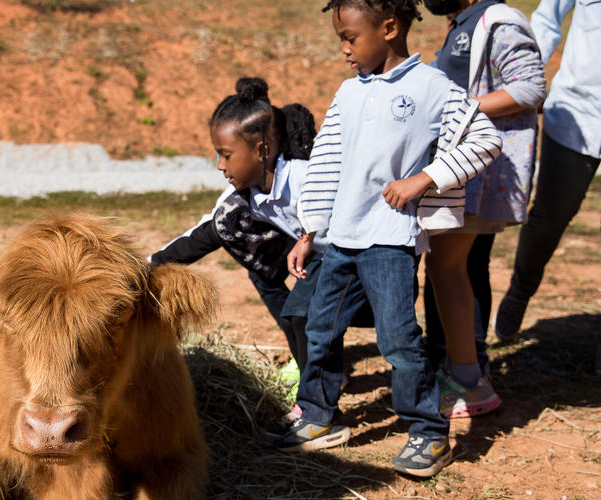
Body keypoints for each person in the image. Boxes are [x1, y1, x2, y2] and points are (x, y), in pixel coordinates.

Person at [274, 0, 502, 479]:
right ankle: (318, 416)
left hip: (391, 240)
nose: (344, 50)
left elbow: (485, 140)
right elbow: (326, 163)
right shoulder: (348, 93)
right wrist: (309, 231)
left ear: (391, 28)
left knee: (397, 340)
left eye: (350, 38)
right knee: (320, 330)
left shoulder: (433, 87)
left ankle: (427, 431)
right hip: (340, 240)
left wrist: (425, 179)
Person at [149, 76, 335, 419]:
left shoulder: (307, 177)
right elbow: (204, 233)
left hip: (344, 255)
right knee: (261, 272)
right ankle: (304, 355)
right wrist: (148, 266)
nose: (220, 165)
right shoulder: (241, 194)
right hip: (307, 256)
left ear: (262, 150)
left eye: (226, 155)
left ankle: (315, 400)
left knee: (301, 313)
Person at [421, 0, 546, 419]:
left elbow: (529, 88)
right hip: (463, 173)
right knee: (450, 269)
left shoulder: (500, 21)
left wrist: (459, 111)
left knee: (450, 270)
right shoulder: (463, 23)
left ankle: (470, 381)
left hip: (480, 173)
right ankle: (459, 371)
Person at [495, 0, 601, 340]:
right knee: (548, 218)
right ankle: (521, 289)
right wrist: (526, 78)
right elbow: (547, 17)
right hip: (577, 113)